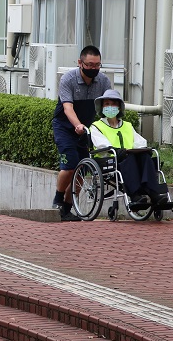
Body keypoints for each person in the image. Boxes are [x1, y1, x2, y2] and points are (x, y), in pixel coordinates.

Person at [52, 45, 112, 221]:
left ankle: (68, 207)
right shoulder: (68, 79)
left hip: (86, 129)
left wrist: (112, 123)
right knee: (69, 166)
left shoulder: (103, 81)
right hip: (65, 127)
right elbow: (67, 107)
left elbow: (108, 105)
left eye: (97, 65)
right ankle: (57, 200)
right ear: (80, 63)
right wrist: (78, 125)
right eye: (90, 65)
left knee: (82, 169)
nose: (94, 69)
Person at [90, 89, 169, 206]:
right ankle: (135, 195)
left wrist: (141, 150)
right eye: (107, 104)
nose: (110, 107)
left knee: (145, 157)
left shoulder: (127, 125)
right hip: (109, 160)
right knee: (130, 159)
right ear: (102, 108)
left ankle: (154, 193)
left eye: (113, 104)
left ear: (119, 108)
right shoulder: (96, 126)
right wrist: (120, 151)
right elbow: (102, 145)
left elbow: (140, 141)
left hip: (129, 156)